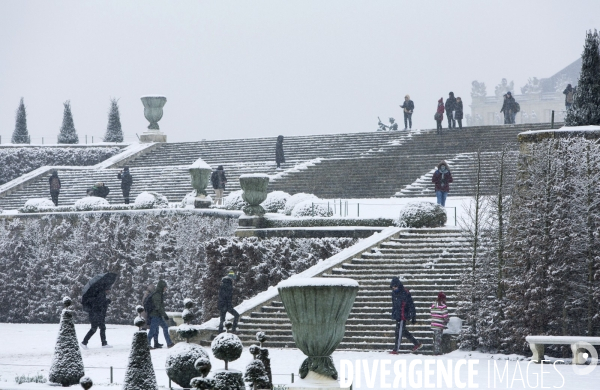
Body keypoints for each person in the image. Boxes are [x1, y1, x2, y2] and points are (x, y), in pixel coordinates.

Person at [389, 277, 422, 354]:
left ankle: (396, 349)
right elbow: (394, 304)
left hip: (402, 315)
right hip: (398, 315)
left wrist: (413, 315)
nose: (394, 288)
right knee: (403, 331)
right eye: (393, 287)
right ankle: (417, 343)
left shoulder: (405, 292)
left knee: (399, 332)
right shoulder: (394, 293)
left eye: (395, 287)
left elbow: (411, 304)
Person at [146, 280, 174, 349]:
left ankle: (168, 343)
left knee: (163, 327)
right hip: (155, 315)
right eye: (165, 287)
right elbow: (158, 306)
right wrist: (164, 315)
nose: (165, 289)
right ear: (161, 287)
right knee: (153, 330)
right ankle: (147, 344)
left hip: (158, 315)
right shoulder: (157, 295)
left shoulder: (159, 294)